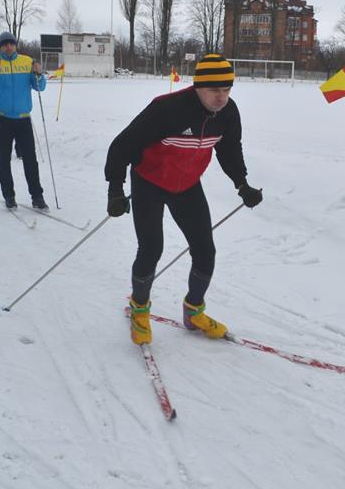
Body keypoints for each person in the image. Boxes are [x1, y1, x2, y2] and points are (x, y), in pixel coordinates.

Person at [104, 53, 263, 345]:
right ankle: (139, 308)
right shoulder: (167, 109)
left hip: (187, 185)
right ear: (198, 87)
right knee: (151, 248)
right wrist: (115, 188)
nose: (222, 97)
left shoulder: (228, 113)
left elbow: (229, 150)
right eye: (215, 90)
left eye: (227, 90)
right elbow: (122, 146)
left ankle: (193, 310)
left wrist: (242, 184)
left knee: (205, 250)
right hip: (149, 182)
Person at [0, 31, 48, 210]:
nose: (8, 47)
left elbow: (40, 87)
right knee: (3, 160)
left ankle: (37, 196)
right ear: (0, 46)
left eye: (11, 44)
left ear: (15, 45)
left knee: (30, 159)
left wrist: (39, 74)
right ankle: (9, 195)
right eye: (4, 44)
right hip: (2, 118)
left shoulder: (27, 62)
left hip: (23, 119)